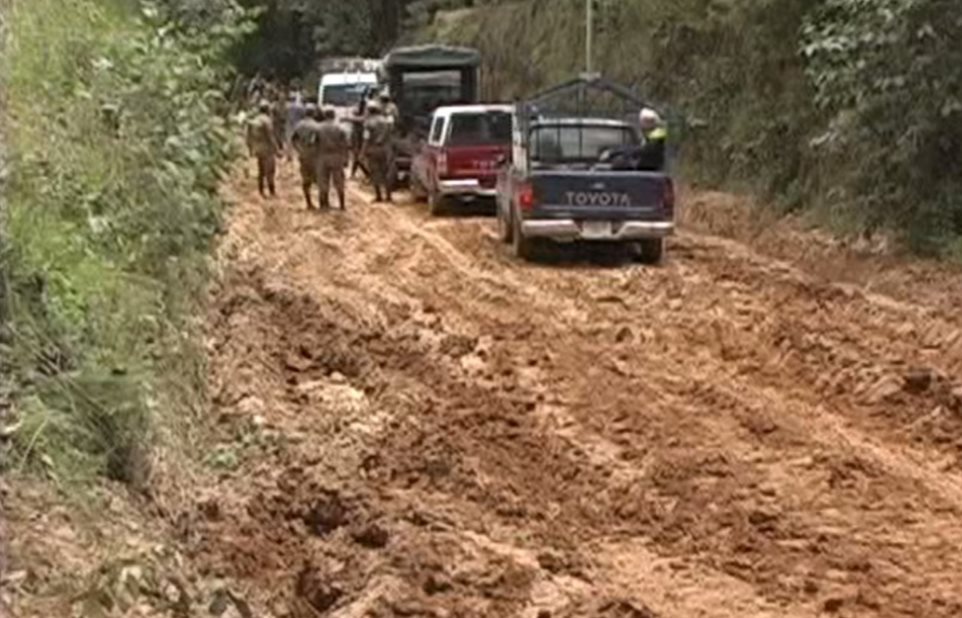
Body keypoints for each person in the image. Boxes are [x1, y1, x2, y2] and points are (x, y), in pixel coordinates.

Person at [316, 107, 350, 210]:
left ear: (325, 115)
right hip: (336, 157)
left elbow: (314, 143)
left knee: (323, 181)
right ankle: (342, 205)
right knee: (339, 181)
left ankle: (323, 204)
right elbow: (345, 145)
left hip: (322, 156)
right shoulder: (340, 128)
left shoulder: (318, 128)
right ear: (334, 116)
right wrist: (346, 159)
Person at [246, 101, 281, 198]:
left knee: (261, 171)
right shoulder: (267, 121)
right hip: (267, 149)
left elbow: (248, 137)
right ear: (267, 110)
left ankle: (261, 191)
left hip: (258, 149)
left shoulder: (254, 120)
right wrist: (277, 149)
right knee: (270, 171)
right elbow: (271, 137)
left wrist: (250, 148)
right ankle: (272, 191)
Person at [291, 104, 323, 210]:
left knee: (306, 180)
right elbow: (321, 142)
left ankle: (308, 203)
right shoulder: (317, 126)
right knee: (319, 180)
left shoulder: (299, 125)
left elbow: (293, 140)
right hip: (315, 156)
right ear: (314, 113)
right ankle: (322, 203)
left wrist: (299, 150)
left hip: (303, 155)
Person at [362, 103, 395, 203]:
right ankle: (388, 196)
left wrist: (363, 151)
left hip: (373, 150)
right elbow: (390, 133)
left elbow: (366, 138)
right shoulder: (386, 122)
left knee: (375, 173)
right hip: (385, 150)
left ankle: (378, 196)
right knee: (386, 173)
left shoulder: (368, 123)